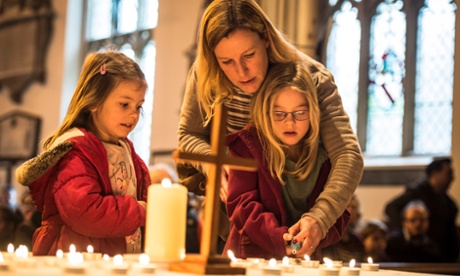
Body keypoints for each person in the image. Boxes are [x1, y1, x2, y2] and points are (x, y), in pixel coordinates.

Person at [177, 0, 363, 253]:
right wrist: (211, 162)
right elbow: (189, 134)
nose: (241, 71)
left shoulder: (312, 78)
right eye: (226, 61)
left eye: (249, 56)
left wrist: (319, 217)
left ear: (266, 38)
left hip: (301, 214)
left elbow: (347, 155)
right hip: (240, 214)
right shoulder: (205, 74)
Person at [15, 51, 151, 256]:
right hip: (75, 258)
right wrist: (140, 211)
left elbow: (148, 197)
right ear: (94, 102)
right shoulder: (76, 152)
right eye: (124, 104)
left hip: (116, 258)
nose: (133, 114)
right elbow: (84, 212)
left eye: (138, 106)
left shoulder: (127, 153)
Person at [224, 63, 350, 259]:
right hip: (252, 258)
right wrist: (285, 242)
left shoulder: (328, 154)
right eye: (279, 114)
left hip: (307, 262)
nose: (289, 123)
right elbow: (242, 205)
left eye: (299, 113)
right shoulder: (247, 146)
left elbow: (340, 213)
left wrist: (308, 240)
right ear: (266, 112)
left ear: (313, 112)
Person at [384, 158, 458, 262]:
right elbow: (391, 208)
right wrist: (407, 230)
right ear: (435, 173)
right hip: (413, 251)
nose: (452, 178)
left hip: (438, 254)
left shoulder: (449, 204)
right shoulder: (416, 192)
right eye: (448, 173)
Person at [321, 194, 365, 262]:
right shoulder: (328, 238)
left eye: (354, 207)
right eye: (346, 206)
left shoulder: (357, 240)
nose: (350, 211)